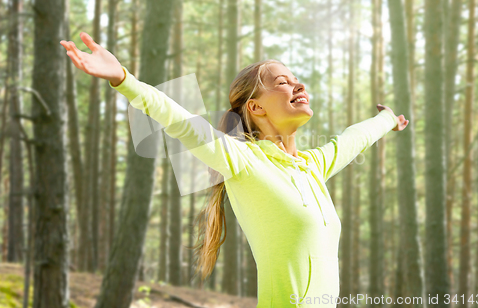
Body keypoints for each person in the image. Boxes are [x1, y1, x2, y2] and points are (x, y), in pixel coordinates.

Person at [60, 32, 408, 307]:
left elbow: (354, 138)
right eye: (283, 82)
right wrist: (124, 78)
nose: (298, 85)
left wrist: (387, 118)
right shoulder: (242, 160)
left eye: (297, 78)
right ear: (255, 106)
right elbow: (181, 121)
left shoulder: (313, 166)